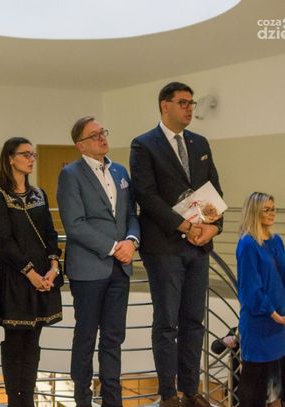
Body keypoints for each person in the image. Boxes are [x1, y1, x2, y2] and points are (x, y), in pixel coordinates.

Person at [129, 82, 223, 407]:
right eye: (183, 102)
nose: (189, 108)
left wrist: (213, 228)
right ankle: (168, 395)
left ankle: (190, 392)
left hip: (198, 246)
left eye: (191, 103)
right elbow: (146, 195)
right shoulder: (144, 144)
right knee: (167, 323)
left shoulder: (200, 142)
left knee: (194, 322)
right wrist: (184, 225)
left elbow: (214, 190)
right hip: (164, 246)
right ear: (164, 105)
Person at [57, 116, 140, 407]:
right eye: (94, 135)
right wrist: (114, 247)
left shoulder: (120, 171)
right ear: (80, 145)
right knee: (86, 336)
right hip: (89, 269)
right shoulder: (71, 174)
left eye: (103, 132)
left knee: (114, 337)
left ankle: (112, 400)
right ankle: (82, 398)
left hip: (120, 268)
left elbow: (131, 214)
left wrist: (132, 241)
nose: (102, 137)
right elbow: (74, 224)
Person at [0, 137, 62, 407]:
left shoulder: (39, 193)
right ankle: (14, 400)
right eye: (25, 154)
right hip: (16, 279)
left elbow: (50, 233)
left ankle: (27, 398)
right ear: (10, 158)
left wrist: (53, 267)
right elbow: (4, 241)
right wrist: (31, 274)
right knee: (15, 342)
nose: (31, 159)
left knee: (33, 341)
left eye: (33, 154)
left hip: (43, 277)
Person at [236, 192, 285, 407]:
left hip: (280, 322)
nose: (272, 213)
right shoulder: (247, 244)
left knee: (276, 383)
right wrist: (272, 313)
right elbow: (250, 288)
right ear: (254, 211)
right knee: (253, 385)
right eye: (267, 209)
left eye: (273, 209)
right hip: (259, 323)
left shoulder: (276, 241)